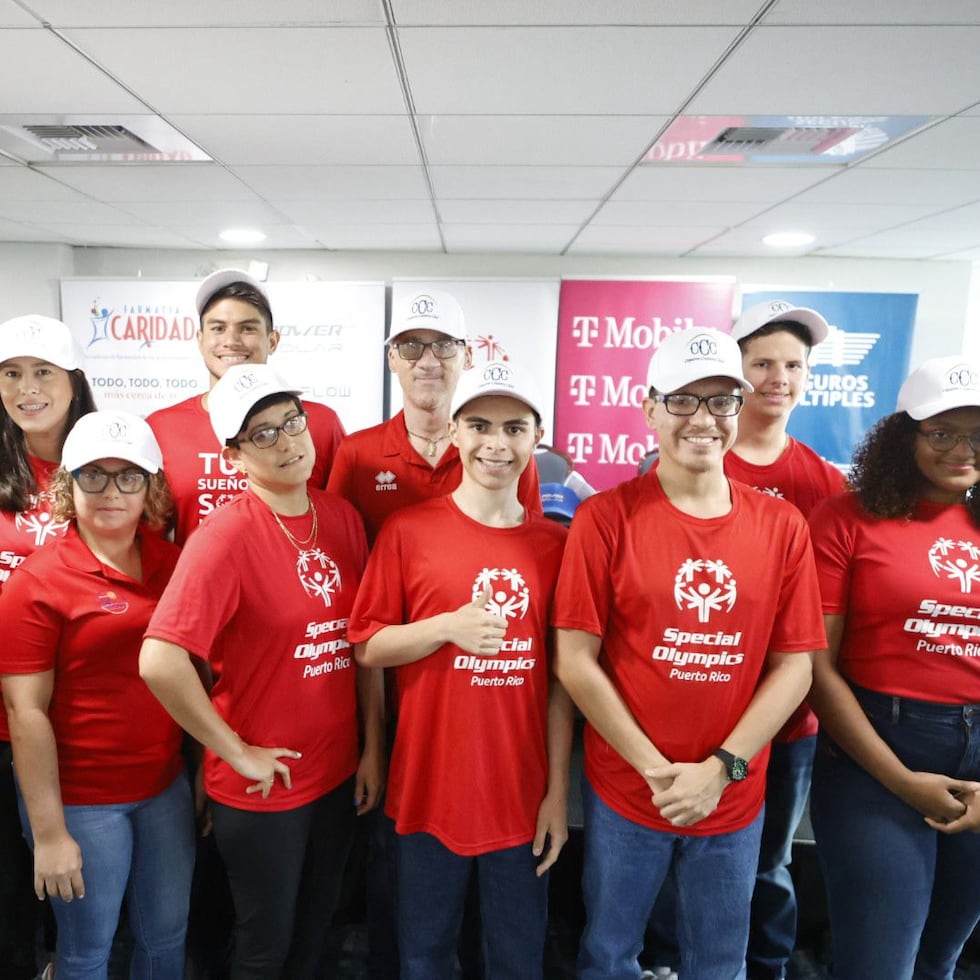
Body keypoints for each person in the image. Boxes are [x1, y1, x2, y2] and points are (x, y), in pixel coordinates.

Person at [553, 326, 825, 979]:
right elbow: (575, 660)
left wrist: (721, 769)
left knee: (718, 960)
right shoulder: (606, 518)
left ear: (740, 409)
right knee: (610, 952)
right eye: (682, 400)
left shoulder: (781, 525)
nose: (702, 419)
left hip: (732, 794)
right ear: (649, 409)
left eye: (721, 401)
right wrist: (655, 771)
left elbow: (796, 667)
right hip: (627, 789)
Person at [139, 363, 384, 978]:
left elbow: (360, 646)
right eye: (264, 434)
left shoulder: (342, 518)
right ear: (234, 455)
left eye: (292, 423)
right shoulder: (226, 536)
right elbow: (160, 659)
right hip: (264, 787)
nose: (288, 442)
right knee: (262, 947)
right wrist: (236, 752)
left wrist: (372, 748)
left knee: (313, 936)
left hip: (336, 773)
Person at [327, 289, 541, 978]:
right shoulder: (370, 476)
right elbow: (366, 636)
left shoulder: (552, 539)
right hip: (420, 754)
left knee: (509, 947)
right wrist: (374, 740)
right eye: (480, 427)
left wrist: (558, 792)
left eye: (514, 429)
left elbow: (560, 667)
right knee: (417, 943)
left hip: (514, 773)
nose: (496, 443)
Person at [645, 300, 846, 980]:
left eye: (793, 365)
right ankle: (669, 962)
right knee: (670, 853)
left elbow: (818, 626)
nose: (777, 377)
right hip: (679, 713)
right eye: (761, 362)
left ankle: (764, 966)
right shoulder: (668, 466)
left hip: (781, 726)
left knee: (769, 862)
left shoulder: (823, 485)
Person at [0, 410, 193, 978]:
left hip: (164, 787)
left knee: (166, 940)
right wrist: (50, 833)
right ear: (68, 484)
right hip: (82, 803)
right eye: (94, 476)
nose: (112, 492)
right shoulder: (38, 581)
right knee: (87, 951)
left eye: (129, 477)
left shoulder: (173, 564)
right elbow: (26, 710)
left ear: (151, 488)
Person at [807, 355, 980, 980]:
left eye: (978, 435)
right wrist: (902, 779)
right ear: (905, 435)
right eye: (942, 433)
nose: (962, 450)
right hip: (876, 753)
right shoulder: (846, 519)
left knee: (940, 959)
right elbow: (818, 668)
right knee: (878, 965)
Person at [0, 313, 97, 980]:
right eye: (11, 374)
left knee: (80, 881)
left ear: (74, 382)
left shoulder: (106, 463)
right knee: (11, 886)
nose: (27, 388)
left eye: (43, 373)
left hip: (85, 715)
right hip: (6, 715)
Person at [147, 267, 345, 545]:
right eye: (218, 328)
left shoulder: (318, 424)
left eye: (248, 328)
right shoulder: (162, 427)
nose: (231, 341)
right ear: (200, 340)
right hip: (201, 585)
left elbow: (341, 522)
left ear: (272, 341)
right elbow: (149, 538)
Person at [327, 288, 541, 543]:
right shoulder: (356, 453)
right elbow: (335, 548)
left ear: (467, 356)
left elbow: (529, 541)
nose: (428, 362)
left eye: (444, 345)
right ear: (392, 359)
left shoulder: (502, 455)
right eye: (411, 346)